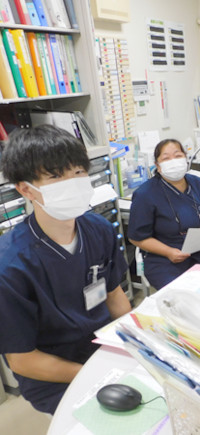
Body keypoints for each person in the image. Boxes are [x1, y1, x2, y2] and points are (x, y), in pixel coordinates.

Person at [0, 125, 131, 414]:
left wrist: (137, 342)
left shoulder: (99, 229)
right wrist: (94, 374)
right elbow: (22, 360)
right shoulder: (10, 266)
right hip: (53, 372)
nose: (72, 183)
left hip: (102, 346)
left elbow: (114, 295)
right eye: (56, 176)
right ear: (25, 189)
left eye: (78, 172)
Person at [128, 139, 200, 290]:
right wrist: (168, 252)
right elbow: (136, 237)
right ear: (158, 166)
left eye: (178, 156)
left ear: (186, 158)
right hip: (163, 260)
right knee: (183, 296)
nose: (173, 162)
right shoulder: (145, 194)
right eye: (166, 158)